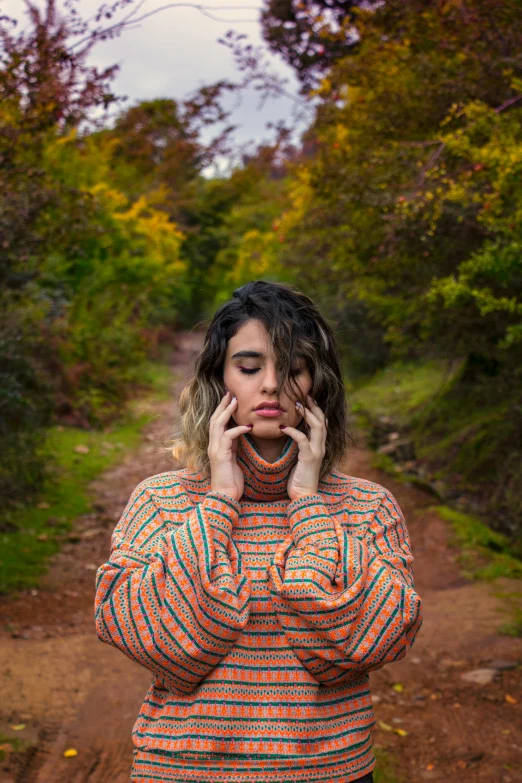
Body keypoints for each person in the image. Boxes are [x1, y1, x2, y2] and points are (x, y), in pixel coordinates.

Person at [94, 280, 423, 783]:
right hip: (182, 772)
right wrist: (220, 501)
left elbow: (366, 643)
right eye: (249, 368)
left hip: (327, 771)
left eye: (293, 369)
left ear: (318, 383)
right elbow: (163, 645)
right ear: (219, 379)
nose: (270, 385)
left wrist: (309, 506)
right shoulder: (160, 502)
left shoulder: (367, 508)